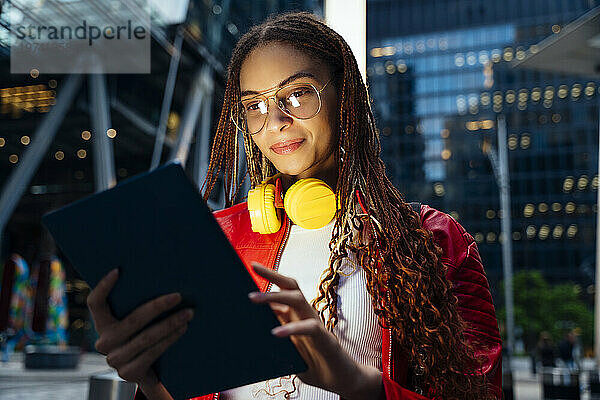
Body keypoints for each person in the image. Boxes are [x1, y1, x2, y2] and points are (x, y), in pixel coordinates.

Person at [86, 12, 502, 400]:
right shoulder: (214, 236)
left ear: (345, 99)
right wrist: (150, 380)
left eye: (298, 93)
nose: (275, 120)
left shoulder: (436, 239)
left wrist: (357, 382)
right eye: (255, 106)